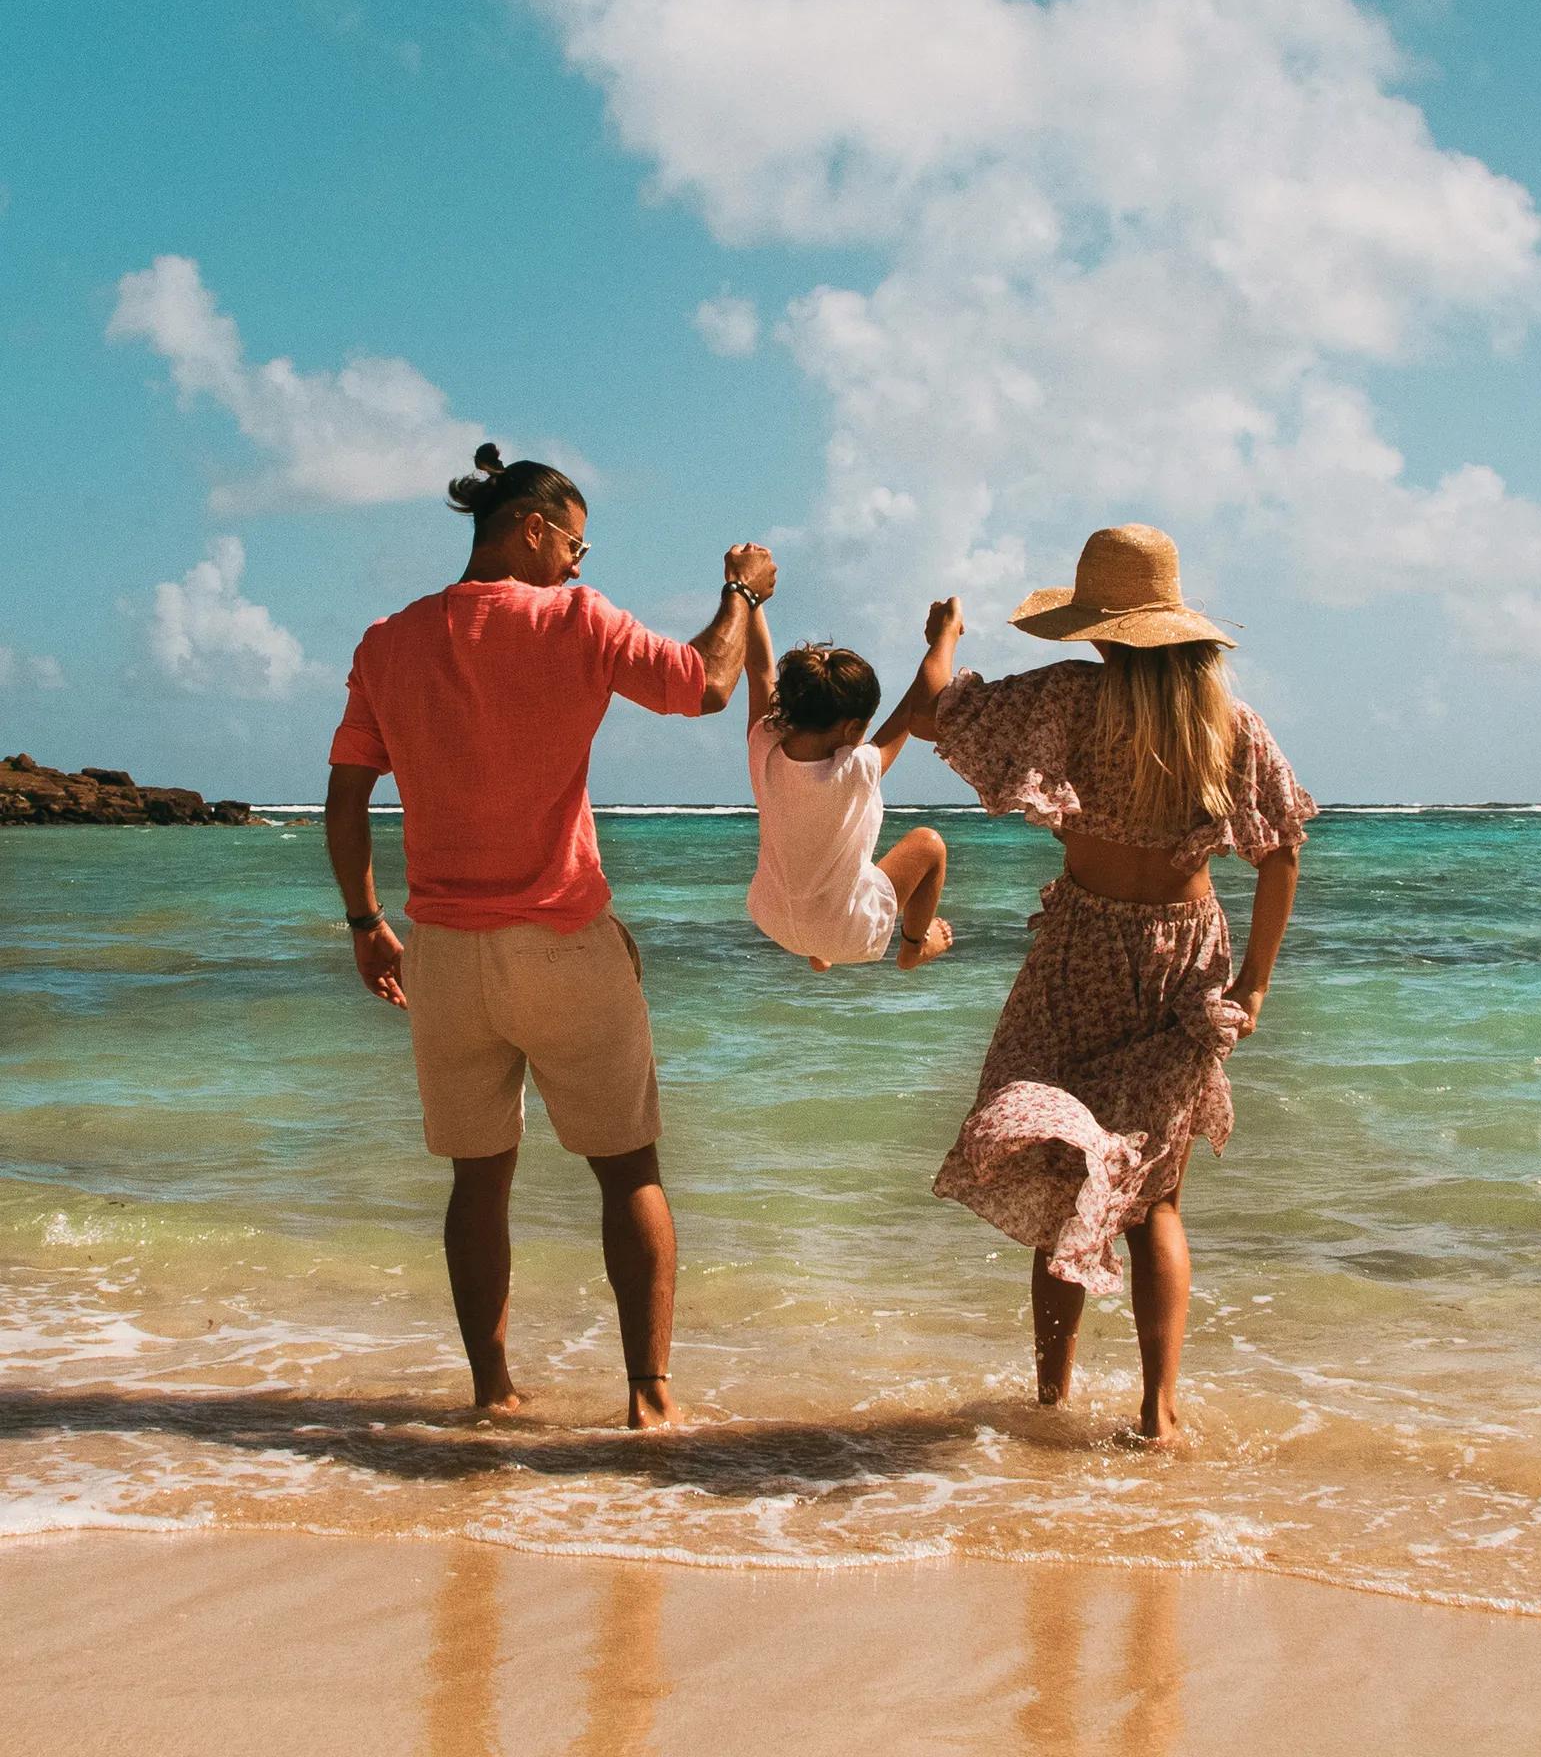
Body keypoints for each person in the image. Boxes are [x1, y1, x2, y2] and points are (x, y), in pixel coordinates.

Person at [323, 442, 776, 1429]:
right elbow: (704, 683)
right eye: (573, 541)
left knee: (477, 1179)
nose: (578, 561)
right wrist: (740, 591)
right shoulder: (577, 618)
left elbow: (348, 797)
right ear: (531, 529)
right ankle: (648, 1395)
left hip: (441, 949)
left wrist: (366, 920)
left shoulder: (387, 641)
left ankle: (491, 1389)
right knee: (629, 1170)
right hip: (564, 939)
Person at [906, 525, 1316, 1442]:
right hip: (1184, 962)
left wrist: (942, 640)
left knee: (1065, 1180)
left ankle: (1051, 1400)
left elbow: (938, 711)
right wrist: (1253, 986)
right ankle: (1158, 1414)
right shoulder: (1227, 725)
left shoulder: (1067, 700)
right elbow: (1281, 853)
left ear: (1100, 626)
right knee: (1156, 1203)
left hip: (1080, 955)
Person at [742, 600, 961, 973]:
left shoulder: (763, 746)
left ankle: (817, 950)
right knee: (930, 845)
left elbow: (760, 668)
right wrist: (946, 633)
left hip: (774, 918)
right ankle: (913, 949)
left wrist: (749, 596)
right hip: (847, 932)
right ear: (850, 728)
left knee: (824, 862)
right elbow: (916, 707)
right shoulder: (855, 772)